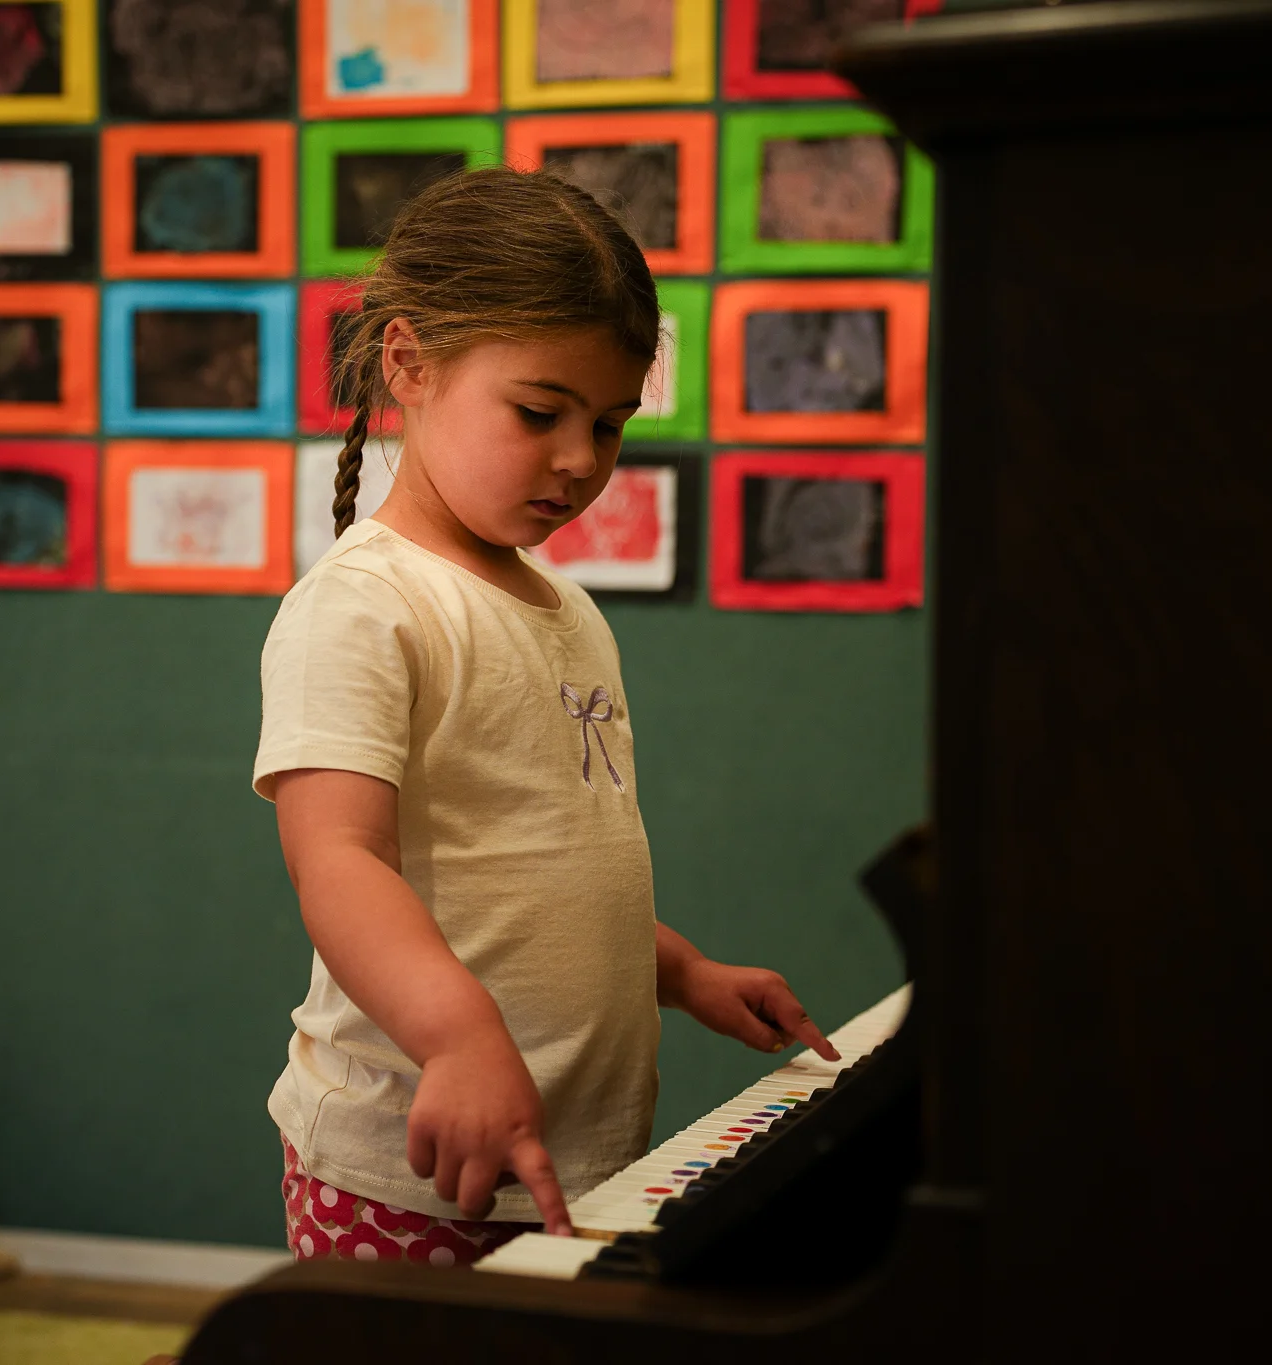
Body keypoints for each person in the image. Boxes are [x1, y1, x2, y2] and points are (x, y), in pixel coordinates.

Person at [254, 167, 840, 1268]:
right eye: (538, 413)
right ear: (408, 364)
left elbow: (535, 875)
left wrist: (677, 972)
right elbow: (335, 862)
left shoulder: (562, 606)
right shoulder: (362, 603)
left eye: (609, 424)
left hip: (578, 1155)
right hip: (415, 1167)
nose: (580, 460)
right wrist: (460, 1041)